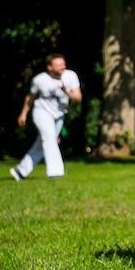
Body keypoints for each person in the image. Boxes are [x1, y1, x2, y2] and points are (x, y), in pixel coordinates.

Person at [11, 53, 81, 181]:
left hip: (59, 114)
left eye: (63, 64)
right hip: (41, 111)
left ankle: (20, 171)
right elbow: (30, 97)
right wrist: (23, 114)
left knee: (43, 142)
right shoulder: (39, 80)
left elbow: (78, 98)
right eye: (59, 65)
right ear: (49, 67)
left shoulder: (71, 76)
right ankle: (55, 172)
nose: (62, 67)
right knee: (50, 138)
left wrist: (66, 91)